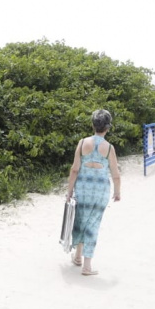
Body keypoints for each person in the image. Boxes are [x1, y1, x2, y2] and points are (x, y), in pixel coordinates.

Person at [65, 110, 121, 276]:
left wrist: (69, 191)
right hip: (100, 192)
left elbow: (74, 169)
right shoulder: (109, 148)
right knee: (93, 225)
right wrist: (117, 192)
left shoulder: (82, 143)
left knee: (81, 220)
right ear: (108, 128)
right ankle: (87, 265)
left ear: (93, 125)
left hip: (83, 189)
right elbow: (116, 174)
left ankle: (77, 257)